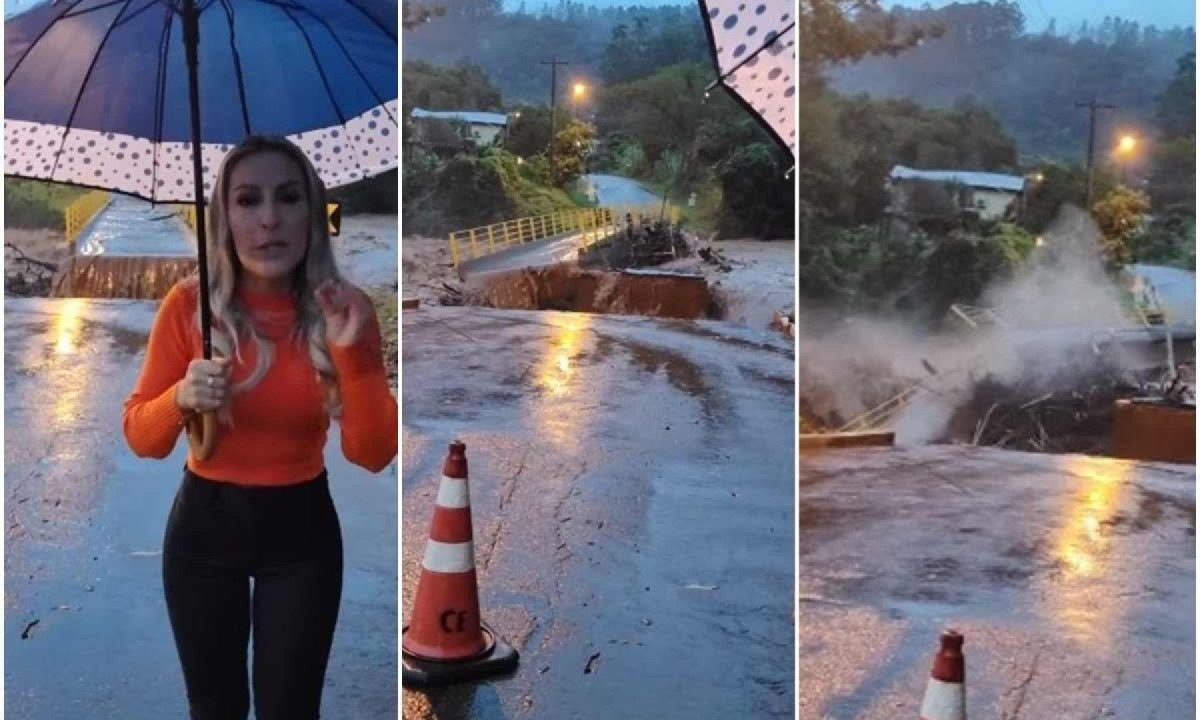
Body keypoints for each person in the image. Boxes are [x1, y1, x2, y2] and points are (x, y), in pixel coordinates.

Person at [122, 135, 397, 720]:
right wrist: (180, 397)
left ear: (312, 213)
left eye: (288, 198)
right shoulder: (189, 306)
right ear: (224, 218)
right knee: (215, 709)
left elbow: (373, 454)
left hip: (302, 536)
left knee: (290, 710)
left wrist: (354, 356)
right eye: (247, 201)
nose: (269, 219)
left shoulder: (346, 310)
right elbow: (143, 440)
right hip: (203, 531)